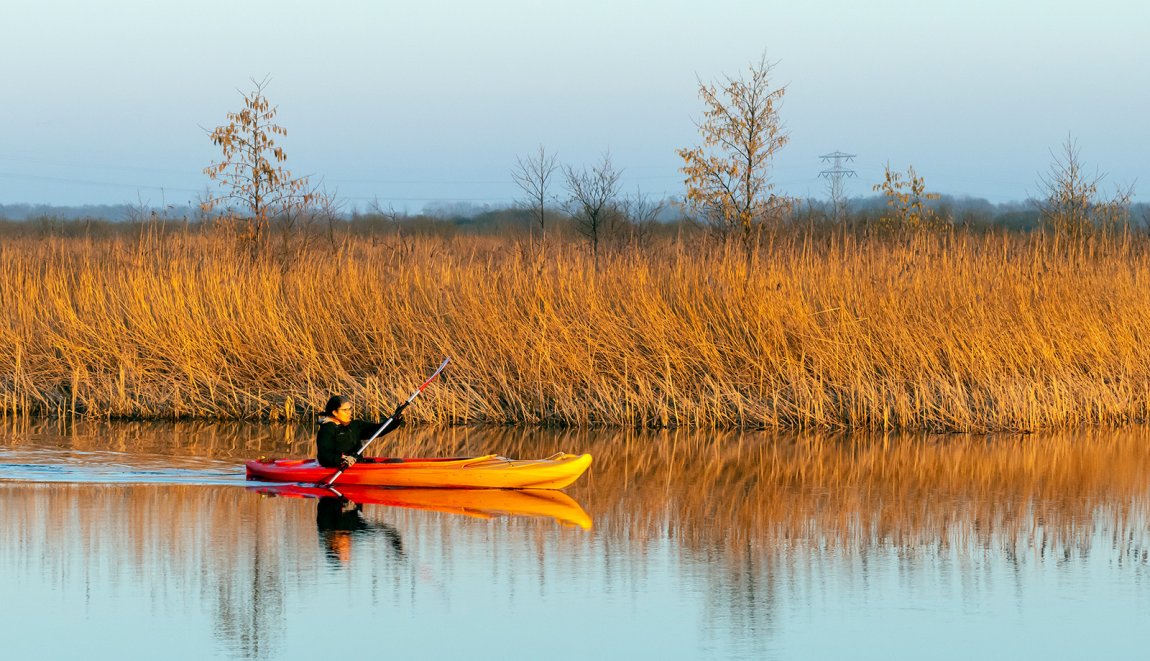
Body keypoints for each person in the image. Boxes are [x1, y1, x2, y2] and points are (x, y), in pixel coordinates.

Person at [315, 395, 405, 469]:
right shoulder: (327, 429)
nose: (349, 412)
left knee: (398, 461)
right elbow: (324, 456)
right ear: (334, 412)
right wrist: (341, 459)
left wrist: (395, 420)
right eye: (345, 410)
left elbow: (378, 430)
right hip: (341, 467)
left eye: (350, 409)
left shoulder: (355, 425)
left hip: (358, 465)